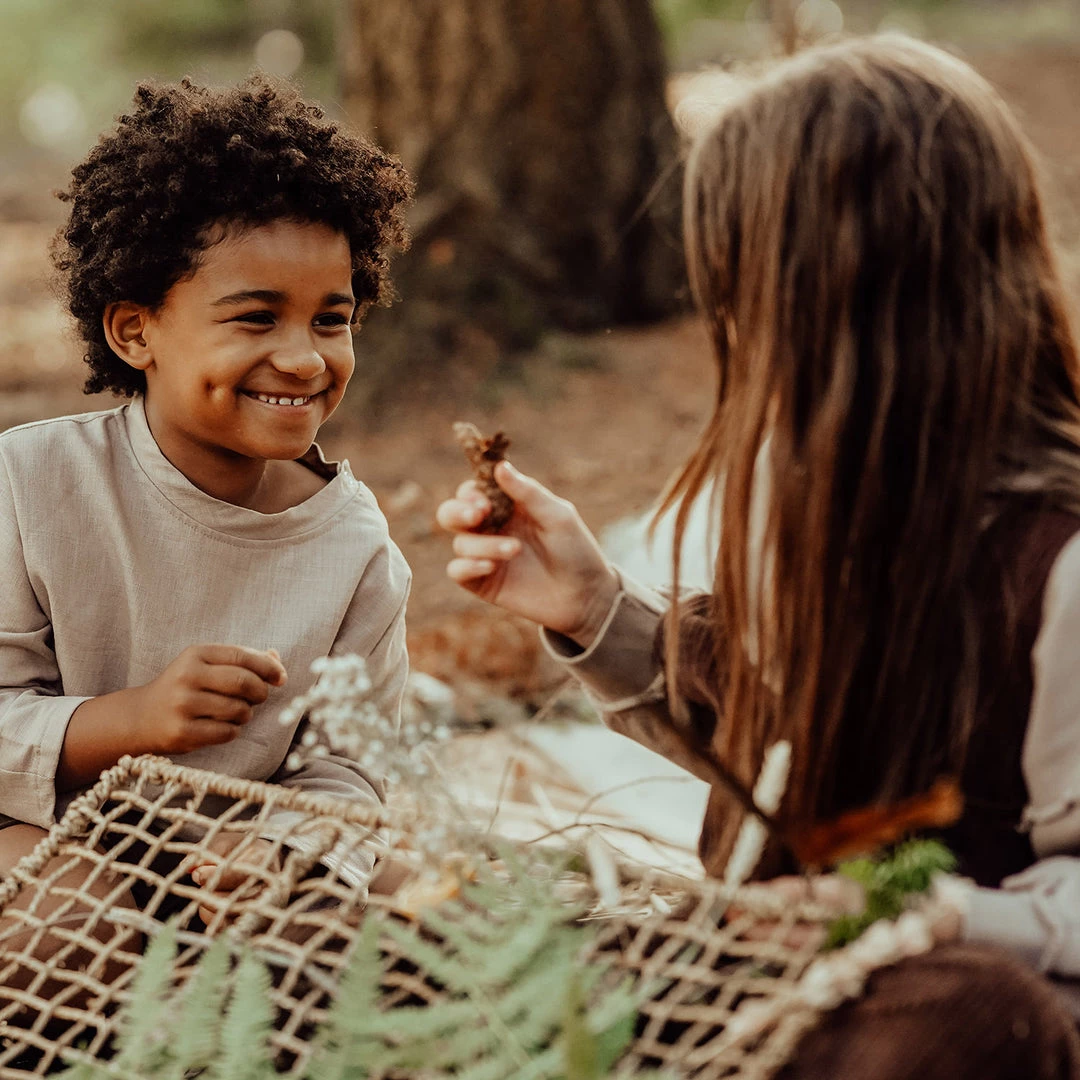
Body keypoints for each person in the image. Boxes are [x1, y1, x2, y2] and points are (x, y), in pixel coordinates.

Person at [439, 36, 1080, 1078]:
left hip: (968, 1011)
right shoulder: (842, 507)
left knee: (963, 1017)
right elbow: (784, 742)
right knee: (480, 951)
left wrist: (939, 918)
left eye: (748, 292)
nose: (729, 326)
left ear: (861, 302)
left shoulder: (1062, 565)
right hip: (781, 981)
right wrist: (597, 609)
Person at [0, 75, 413, 946]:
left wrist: (283, 852)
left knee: (418, 911)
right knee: (72, 919)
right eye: (256, 319)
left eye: (331, 320)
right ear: (134, 331)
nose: (304, 360)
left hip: (230, 874)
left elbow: (350, 768)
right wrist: (132, 721)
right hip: (40, 841)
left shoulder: (354, 548)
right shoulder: (31, 484)